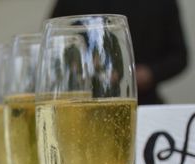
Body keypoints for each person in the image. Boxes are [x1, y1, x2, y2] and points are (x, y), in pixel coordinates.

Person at [50, 0, 188, 104]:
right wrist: (80, 62)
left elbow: (180, 55)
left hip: (142, 102)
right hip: (80, 102)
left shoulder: (163, 3)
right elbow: (52, 43)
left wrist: (149, 73)